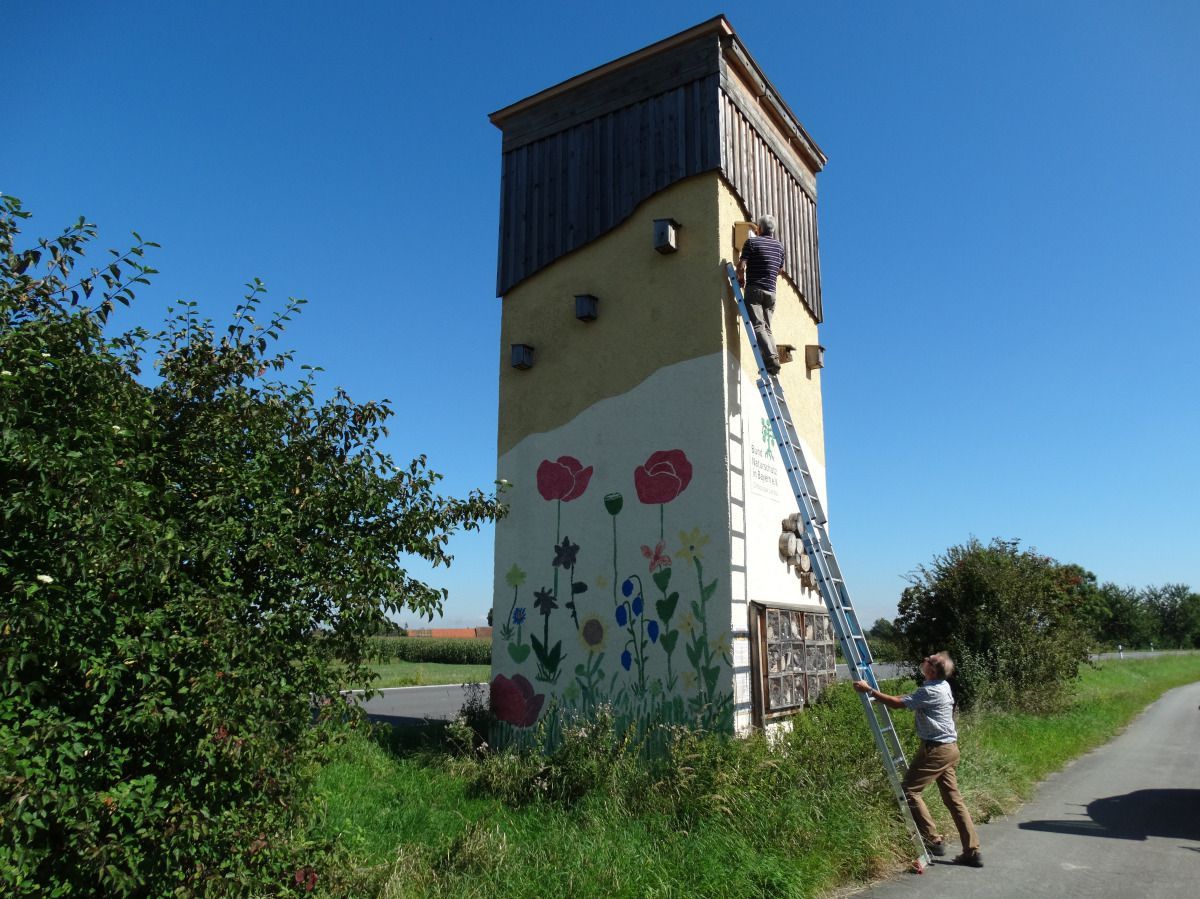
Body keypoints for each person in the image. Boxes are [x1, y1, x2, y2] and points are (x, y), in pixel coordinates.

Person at [853, 652, 983, 868]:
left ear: (931, 669)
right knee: (954, 800)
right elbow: (910, 697)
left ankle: (933, 840)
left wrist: (870, 691)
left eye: (927, 660)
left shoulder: (930, 690)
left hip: (936, 750)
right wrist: (885, 694)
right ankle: (972, 851)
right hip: (950, 749)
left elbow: (896, 704)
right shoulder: (942, 686)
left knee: (909, 792)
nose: (923, 660)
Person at [735, 215, 786, 376]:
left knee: (757, 326)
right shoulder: (779, 247)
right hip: (771, 292)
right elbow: (780, 270)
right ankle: (773, 359)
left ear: (760, 229)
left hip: (755, 289)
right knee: (767, 328)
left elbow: (742, 264)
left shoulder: (752, 242)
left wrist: (740, 277)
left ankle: (770, 359)